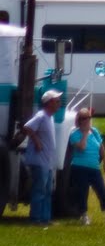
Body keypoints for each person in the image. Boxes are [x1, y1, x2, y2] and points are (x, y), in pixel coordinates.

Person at [68, 107, 105, 226]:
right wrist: (85, 133)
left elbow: (100, 146)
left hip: (94, 167)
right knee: (83, 192)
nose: (88, 121)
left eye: (89, 118)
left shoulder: (95, 131)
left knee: (102, 191)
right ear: (79, 120)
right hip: (79, 167)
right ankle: (84, 216)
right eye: (85, 118)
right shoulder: (74, 134)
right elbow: (81, 147)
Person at [21, 88, 62, 226]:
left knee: (48, 191)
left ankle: (45, 218)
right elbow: (27, 127)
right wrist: (37, 141)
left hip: (47, 162)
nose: (59, 103)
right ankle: (36, 218)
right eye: (56, 101)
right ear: (49, 103)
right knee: (39, 190)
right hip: (39, 161)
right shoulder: (41, 116)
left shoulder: (49, 117)